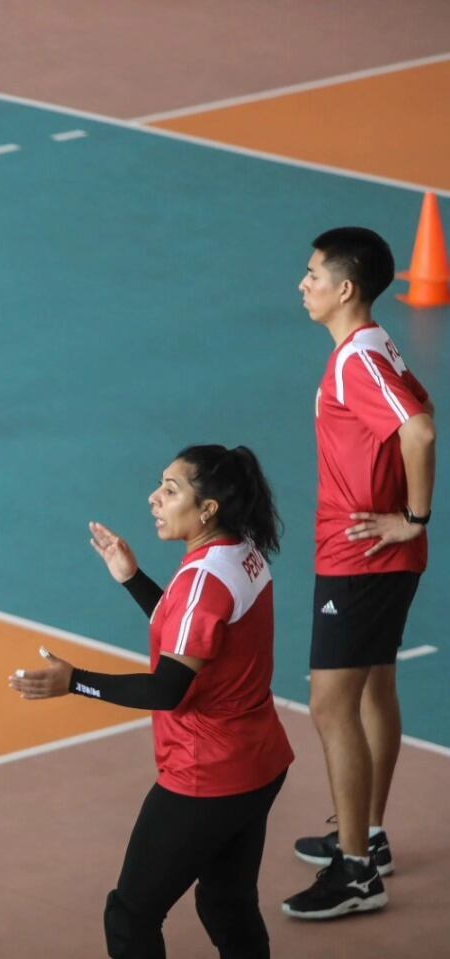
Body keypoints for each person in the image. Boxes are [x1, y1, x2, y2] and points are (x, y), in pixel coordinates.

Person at [9, 445, 293, 959]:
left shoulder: (204, 580)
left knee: (131, 915)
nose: (154, 498)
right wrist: (131, 578)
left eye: (171, 489)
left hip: (207, 776)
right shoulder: (241, 555)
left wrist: (75, 681)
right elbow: (193, 632)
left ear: (208, 508)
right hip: (259, 762)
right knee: (227, 901)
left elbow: (166, 689)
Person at [283, 227, 436, 919]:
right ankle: (367, 838)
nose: (302, 283)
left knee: (329, 705)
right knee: (373, 686)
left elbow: (419, 429)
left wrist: (413, 516)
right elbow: (419, 412)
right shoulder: (369, 349)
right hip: (369, 557)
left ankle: (353, 874)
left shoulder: (355, 358)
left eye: (313, 273)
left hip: (360, 557)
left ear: (344, 288)